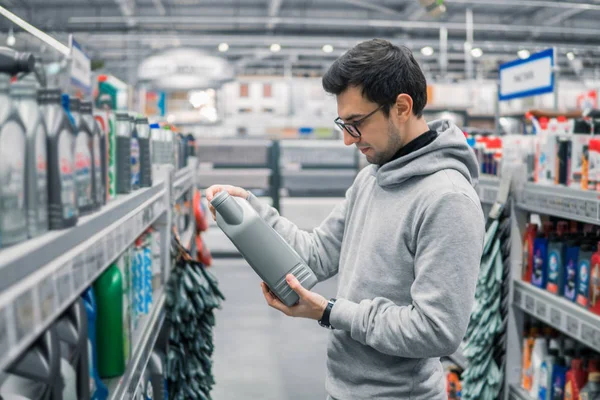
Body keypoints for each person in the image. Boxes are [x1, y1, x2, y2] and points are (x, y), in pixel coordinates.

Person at [205, 38, 485, 400]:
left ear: (401, 107)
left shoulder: (448, 199)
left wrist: (331, 312)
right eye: (343, 123)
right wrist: (253, 214)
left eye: (356, 124)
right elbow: (318, 253)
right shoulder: (372, 177)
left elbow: (437, 330)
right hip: (343, 390)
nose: (347, 141)